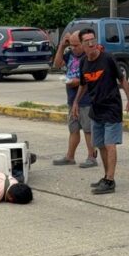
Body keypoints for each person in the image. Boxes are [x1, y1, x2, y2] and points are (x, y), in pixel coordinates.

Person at [70, 28, 129, 195]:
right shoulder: (84, 62)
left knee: (109, 144)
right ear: (82, 45)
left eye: (93, 40)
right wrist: (76, 102)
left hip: (112, 107)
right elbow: (83, 85)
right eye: (87, 41)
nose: (91, 44)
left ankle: (110, 180)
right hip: (96, 108)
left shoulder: (107, 58)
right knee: (99, 144)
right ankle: (106, 176)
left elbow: (122, 79)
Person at [52, 32, 97, 168]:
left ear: (83, 43)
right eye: (71, 45)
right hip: (72, 99)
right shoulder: (70, 55)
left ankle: (92, 157)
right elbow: (57, 64)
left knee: (88, 130)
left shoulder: (88, 57)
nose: (73, 48)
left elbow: (89, 78)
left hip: (86, 100)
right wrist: (61, 46)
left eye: (76, 45)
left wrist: (75, 82)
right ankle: (70, 156)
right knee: (73, 129)